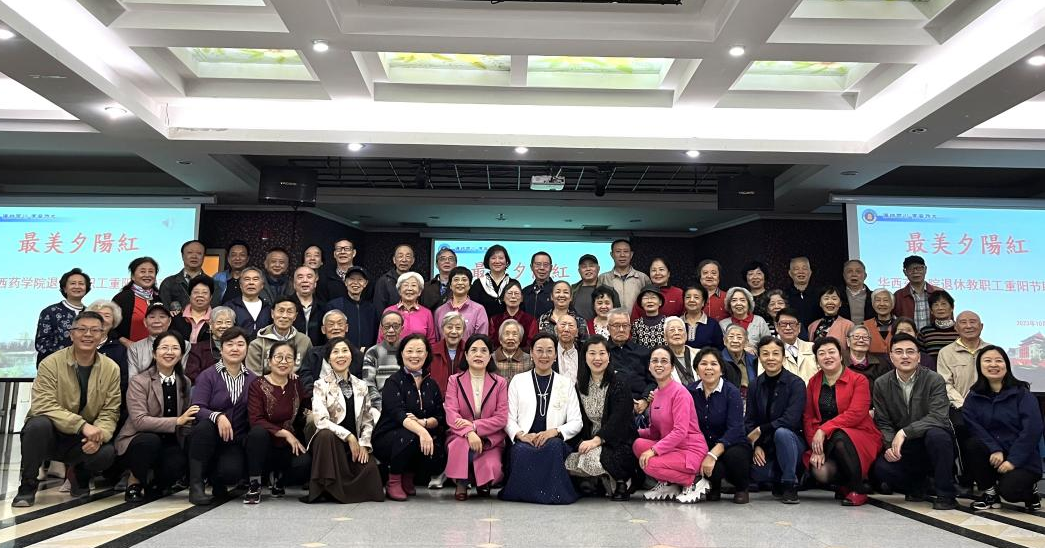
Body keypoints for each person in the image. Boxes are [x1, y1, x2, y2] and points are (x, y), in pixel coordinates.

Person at [13, 311, 121, 507]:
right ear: (71, 334)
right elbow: (43, 404)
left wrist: (99, 435)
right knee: (37, 425)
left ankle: (80, 475)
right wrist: (82, 425)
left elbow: (110, 410)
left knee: (107, 452)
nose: (88, 334)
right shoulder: (51, 363)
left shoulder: (111, 368)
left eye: (94, 330)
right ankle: (28, 485)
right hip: (51, 433)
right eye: (82, 329)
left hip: (81, 439)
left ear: (102, 335)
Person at [872, 333, 957, 510]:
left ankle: (946, 494)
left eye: (910, 352)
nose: (905, 356)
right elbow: (883, 421)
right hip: (906, 447)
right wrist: (889, 445)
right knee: (881, 469)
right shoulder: (881, 383)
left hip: (931, 441)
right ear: (891, 357)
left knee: (937, 436)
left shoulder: (934, 379)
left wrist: (905, 432)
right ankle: (918, 485)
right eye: (899, 352)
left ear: (918, 357)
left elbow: (938, 416)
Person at [501, 333, 583, 504]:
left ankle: (554, 495)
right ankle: (523, 493)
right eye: (539, 350)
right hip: (525, 437)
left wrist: (555, 431)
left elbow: (577, 421)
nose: (544, 356)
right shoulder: (518, 381)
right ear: (531, 353)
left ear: (555, 355)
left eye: (549, 351)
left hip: (554, 439)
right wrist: (521, 435)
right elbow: (508, 417)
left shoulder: (566, 383)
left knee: (553, 447)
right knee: (521, 450)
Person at [115, 331, 196, 503]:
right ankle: (134, 480)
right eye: (164, 348)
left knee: (179, 462)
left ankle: (156, 483)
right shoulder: (139, 381)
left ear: (181, 354)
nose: (169, 352)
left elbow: (186, 417)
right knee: (149, 442)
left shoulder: (185, 382)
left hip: (170, 439)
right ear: (154, 353)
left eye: (175, 348)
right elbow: (139, 421)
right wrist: (177, 421)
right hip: (139, 439)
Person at [304, 337, 385, 503]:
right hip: (331, 443)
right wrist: (349, 436)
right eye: (335, 352)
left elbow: (367, 419)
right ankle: (326, 487)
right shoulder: (320, 385)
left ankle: (344, 490)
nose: (341, 355)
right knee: (325, 435)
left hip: (354, 445)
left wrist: (364, 443)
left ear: (351, 356)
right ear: (328, 359)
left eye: (344, 351)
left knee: (370, 472)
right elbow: (321, 420)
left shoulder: (361, 385)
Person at [962, 346, 1043, 512]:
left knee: (1010, 492)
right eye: (987, 361)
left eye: (998, 361)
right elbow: (975, 427)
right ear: (979, 366)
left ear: (1006, 365)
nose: (993, 365)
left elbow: (1032, 431)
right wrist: (995, 448)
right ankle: (990, 493)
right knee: (972, 444)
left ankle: (1031, 492)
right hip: (994, 456)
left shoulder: (1022, 394)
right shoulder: (974, 396)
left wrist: (1013, 461)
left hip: (1022, 459)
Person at [802, 337, 881, 507]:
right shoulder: (814, 382)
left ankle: (858, 489)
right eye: (822, 353)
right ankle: (844, 484)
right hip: (825, 439)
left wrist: (824, 429)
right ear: (817, 360)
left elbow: (856, 414)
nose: (827, 357)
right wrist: (816, 447)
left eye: (831, 352)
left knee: (840, 436)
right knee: (820, 471)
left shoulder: (858, 380)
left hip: (858, 435)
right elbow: (808, 417)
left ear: (840, 355)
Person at [372, 334, 447, 501]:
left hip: (418, 434)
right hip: (389, 437)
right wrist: (422, 431)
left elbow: (439, 416)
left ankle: (408, 476)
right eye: (410, 351)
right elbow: (398, 414)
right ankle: (394, 480)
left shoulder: (431, 383)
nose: (414, 355)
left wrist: (424, 423)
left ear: (427, 354)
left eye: (419, 351)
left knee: (438, 444)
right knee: (410, 436)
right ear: (402, 354)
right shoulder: (393, 382)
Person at [188, 326, 258, 505]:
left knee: (231, 473)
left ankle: (217, 479)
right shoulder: (208, 376)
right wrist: (218, 416)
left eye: (240, 344)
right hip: (207, 437)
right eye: (230, 344)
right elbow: (197, 407)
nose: (235, 349)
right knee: (204, 427)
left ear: (247, 348)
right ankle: (196, 486)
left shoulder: (253, 379)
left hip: (234, 439)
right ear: (221, 348)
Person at [634, 346, 709, 503]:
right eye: (655, 361)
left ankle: (694, 481)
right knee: (638, 445)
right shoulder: (656, 394)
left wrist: (653, 451)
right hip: (671, 449)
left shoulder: (680, 393)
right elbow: (655, 432)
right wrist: (632, 431)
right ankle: (670, 483)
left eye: (664, 361)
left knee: (649, 464)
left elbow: (680, 431)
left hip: (690, 450)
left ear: (672, 367)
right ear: (649, 366)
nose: (659, 365)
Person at [566, 335, 637, 501]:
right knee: (568, 460)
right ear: (584, 357)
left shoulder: (620, 382)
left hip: (617, 439)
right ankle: (600, 480)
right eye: (592, 353)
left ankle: (621, 481)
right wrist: (583, 442)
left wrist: (596, 441)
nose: (597, 358)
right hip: (590, 439)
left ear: (609, 356)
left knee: (591, 460)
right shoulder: (580, 385)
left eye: (602, 353)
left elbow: (619, 420)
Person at [244, 341, 311, 504]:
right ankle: (255, 485)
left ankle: (279, 479)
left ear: (294, 362)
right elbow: (255, 419)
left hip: (287, 446)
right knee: (258, 433)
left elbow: (305, 407)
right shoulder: (257, 385)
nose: (283, 362)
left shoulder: (296, 383)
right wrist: (285, 433)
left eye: (289, 358)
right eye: (278, 357)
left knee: (305, 463)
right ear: (269, 361)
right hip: (264, 443)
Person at [443, 335, 508, 501]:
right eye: (473, 350)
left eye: (484, 351)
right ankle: (462, 482)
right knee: (459, 445)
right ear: (466, 355)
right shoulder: (454, 380)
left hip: (490, 438)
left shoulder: (500, 382)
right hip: (460, 435)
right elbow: (451, 413)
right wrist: (469, 433)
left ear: (490, 356)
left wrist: (474, 427)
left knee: (492, 466)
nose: (478, 354)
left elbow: (501, 418)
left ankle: (483, 482)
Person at [746, 336, 806, 504]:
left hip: (792, 442)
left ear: (783, 357)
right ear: (759, 358)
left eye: (775, 353)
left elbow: (791, 419)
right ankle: (779, 476)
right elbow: (749, 420)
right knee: (758, 473)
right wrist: (757, 445)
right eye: (765, 354)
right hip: (766, 444)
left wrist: (761, 430)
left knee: (782, 433)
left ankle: (789, 484)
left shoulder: (796, 384)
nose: (770, 358)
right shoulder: (755, 385)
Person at [690, 348, 750, 504]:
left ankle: (741, 488)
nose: (708, 368)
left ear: (721, 370)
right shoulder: (690, 391)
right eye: (703, 364)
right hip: (703, 444)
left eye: (713, 364)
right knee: (709, 466)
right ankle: (714, 486)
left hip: (731, 443)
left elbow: (735, 429)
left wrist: (713, 454)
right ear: (696, 369)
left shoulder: (732, 392)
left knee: (735, 456)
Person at [298, 310, 367, 396]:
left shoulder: (357, 355)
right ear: (323, 329)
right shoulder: (313, 354)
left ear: (346, 328)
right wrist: (316, 396)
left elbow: (362, 381)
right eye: (331, 324)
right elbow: (305, 378)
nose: (336, 327)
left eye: (340, 324)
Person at [246, 295, 313, 376]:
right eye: (281, 311)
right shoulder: (257, 344)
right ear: (272, 313)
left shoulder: (304, 341)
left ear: (295, 316)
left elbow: (309, 372)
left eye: (289, 312)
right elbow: (253, 377)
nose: (284, 316)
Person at [35, 267, 90, 364]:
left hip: (85, 365)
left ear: (86, 288)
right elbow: (41, 344)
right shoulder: (50, 312)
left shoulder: (90, 313)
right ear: (64, 288)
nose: (77, 286)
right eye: (73, 283)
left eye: (81, 283)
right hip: (54, 366)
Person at [937, 311, 990, 411]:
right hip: (959, 409)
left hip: (990, 407)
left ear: (981, 326)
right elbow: (945, 384)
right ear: (956, 327)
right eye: (963, 322)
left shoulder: (992, 351)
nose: (968, 326)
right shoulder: (946, 353)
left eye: (973, 322)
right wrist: (963, 404)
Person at [605, 309, 654, 409]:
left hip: (643, 403)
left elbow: (653, 381)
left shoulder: (643, 351)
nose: (621, 329)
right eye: (616, 325)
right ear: (608, 328)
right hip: (613, 405)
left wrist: (644, 400)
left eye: (625, 325)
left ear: (630, 327)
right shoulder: (602, 353)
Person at [112, 256, 160, 346]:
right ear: (133, 276)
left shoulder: (159, 298)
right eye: (142, 271)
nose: (147, 275)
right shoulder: (122, 298)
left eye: (151, 271)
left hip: (157, 350)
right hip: (128, 350)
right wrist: (126, 342)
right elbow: (109, 326)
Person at [327, 266, 377, 349]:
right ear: (345, 282)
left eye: (360, 280)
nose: (355, 283)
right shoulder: (334, 306)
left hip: (365, 353)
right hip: (342, 353)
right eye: (352, 279)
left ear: (365, 283)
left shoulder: (371, 309)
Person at [434, 266, 489, 342]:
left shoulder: (479, 310)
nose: (460, 283)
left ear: (469, 285)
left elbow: (481, 341)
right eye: (456, 279)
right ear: (450, 285)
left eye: (464, 280)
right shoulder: (440, 311)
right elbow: (437, 340)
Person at [380, 272, 436, 344]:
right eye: (405, 285)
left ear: (419, 292)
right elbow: (381, 340)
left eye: (413, 285)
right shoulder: (389, 311)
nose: (409, 289)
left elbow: (431, 341)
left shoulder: (427, 313)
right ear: (399, 291)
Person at [597, 239, 652, 311]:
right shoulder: (603, 278)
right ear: (612, 254)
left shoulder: (643, 278)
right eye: (618, 251)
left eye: (626, 251)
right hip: (610, 318)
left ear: (631, 254)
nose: (622, 255)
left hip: (637, 318)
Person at [363, 310, 405, 401]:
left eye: (396, 326)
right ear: (381, 329)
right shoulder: (372, 352)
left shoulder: (408, 351)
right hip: (381, 404)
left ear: (402, 328)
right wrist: (378, 405)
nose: (391, 330)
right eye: (387, 327)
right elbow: (368, 383)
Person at [186, 306, 235, 383]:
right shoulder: (198, 349)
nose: (223, 326)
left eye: (228, 322)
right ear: (210, 325)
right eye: (219, 322)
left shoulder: (239, 348)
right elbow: (192, 375)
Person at [127, 302, 175, 380]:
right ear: (145, 322)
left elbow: (182, 378)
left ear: (169, 321)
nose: (157, 321)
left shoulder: (183, 345)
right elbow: (132, 379)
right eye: (152, 317)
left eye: (162, 317)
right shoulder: (135, 348)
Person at [769, 308, 817, 383]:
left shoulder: (813, 348)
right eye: (783, 324)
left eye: (792, 324)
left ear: (799, 327)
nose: (788, 328)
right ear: (776, 326)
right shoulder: (768, 351)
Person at [159, 240, 206, 314]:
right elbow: (163, 312)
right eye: (190, 252)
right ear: (182, 256)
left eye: (199, 253)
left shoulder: (213, 284)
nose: (194, 256)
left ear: (204, 257)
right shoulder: (168, 283)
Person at [892, 255, 938, 330]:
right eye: (911, 269)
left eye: (919, 268)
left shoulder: (938, 293)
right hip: (907, 336)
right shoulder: (898, 296)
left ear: (925, 269)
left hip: (933, 337)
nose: (915, 272)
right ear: (905, 272)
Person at [490, 280, 537, 350]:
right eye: (509, 293)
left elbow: (532, 344)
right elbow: (491, 344)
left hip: (524, 356)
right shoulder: (494, 320)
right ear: (503, 297)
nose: (513, 296)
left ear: (521, 298)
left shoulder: (531, 320)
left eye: (516, 293)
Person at [469, 244, 514, 318]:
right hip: (483, 324)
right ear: (488, 261)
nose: (497, 261)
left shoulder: (513, 283)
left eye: (501, 258)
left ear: (506, 262)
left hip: (509, 324)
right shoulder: (478, 284)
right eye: (493, 258)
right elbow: (473, 309)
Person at [226, 267, 272, 338]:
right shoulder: (230, 306)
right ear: (240, 285)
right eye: (247, 279)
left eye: (255, 279)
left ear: (262, 285)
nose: (251, 283)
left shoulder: (268, 308)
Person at [808, 286, 855, 355]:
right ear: (820, 303)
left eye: (834, 298)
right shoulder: (812, 326)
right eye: (826, 298)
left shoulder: (849, 325)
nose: (830, 302)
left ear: (840, 303)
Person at [846, 324, 891, 396]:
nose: (861, 340)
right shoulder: (840, 364)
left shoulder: (881, 364)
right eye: (856, 337)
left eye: (865, 337)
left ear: (870, 342)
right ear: (848, 341)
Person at [430, 312, 466, 394]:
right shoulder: (432, 351)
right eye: (449, 327)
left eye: (458, 328)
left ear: (463, 331)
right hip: (437, 398)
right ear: (442, 329)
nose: (454, 331)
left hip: (462, 399)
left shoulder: (469, 351)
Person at [572, 254, 617, 321]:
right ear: (579, 271)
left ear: (598, 268)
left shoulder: (609, 291)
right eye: (584, 267)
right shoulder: (572, 290)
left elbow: (617, 315)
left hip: (602, 327)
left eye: (591, 266)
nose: (588, 269)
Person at [373, 244, 416, 312]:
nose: (404, 260)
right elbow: (379, 309)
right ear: (394, 260)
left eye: (408, 256)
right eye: (400, 256)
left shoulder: (417, 281)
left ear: (413, 261)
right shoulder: (384, 281)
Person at [172, 275, 213, 345]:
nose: (200, 295)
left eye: (204, 293)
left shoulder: (216, 319)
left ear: (211, 297)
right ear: (189, 295)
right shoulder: (176, 318)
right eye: (196, 292)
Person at [290, 266, 325, 347]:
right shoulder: (285, 305)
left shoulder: (323, 307)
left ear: (315, 283)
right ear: (294, 284)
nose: (305, 280)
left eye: (309, 277)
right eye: (300, 277)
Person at [681, 284, 723, 350]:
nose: (691, 300)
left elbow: (719, 349)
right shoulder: (677, 322)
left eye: (696, 297)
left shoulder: (713, 324)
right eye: (688, 297)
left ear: (703, 302)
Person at [919, 291, 958, 360]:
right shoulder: (924, 332)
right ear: (931, 310)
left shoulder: (960, 330)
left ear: (952, 308)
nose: (940, 308)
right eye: (936, 305)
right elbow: (921, 358)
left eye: (943, 304)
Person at [493, 319, 532, 384]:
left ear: (520, 339)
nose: (510, 338)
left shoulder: (529, 360)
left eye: (514, 334)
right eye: (507, 334)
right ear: (500, 339)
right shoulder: (491, 359)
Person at [783, 257, 818, 328]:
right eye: (796, 269)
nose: (801, 271)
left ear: (810, 272)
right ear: (790, 273)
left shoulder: (820, 295)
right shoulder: (783, 296)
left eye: (804, 268)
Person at [213, 240, 250, 306]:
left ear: (247, 259)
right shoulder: (218, 278)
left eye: (242, 255)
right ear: (228, 258)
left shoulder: (253, 280)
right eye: (233, 255)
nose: (237, 258)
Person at [664, 317, 698, 386]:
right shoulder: (661, 358)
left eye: (680, 329)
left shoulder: (699, 354)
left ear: (686, 335)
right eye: (672, 330)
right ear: (665, 337)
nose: (677, 333)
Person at [721, 325, 757, 391]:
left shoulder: (754, 360)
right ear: (725, 341)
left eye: (739, 337)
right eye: (731, 337)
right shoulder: (718, 361)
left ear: (746, 342)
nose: (735, 341)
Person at [631, 285, 667, 349]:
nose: (649, 301)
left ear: (660, 302)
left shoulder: (668, 322)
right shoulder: (636, 324)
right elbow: (634, 347)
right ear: (641, 303)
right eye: (645, 298)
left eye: (653, 297)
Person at [839, 260, 874, 324]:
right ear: (844, 275)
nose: (854, 274)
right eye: (849, 271)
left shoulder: (874, 296)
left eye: (858, 271)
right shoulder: (837, 296)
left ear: (865, 276)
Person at [523, 251, 556, 319]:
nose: (542, 268)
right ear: (531, 267)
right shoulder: (525, 292)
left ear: (551, 268)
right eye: (538, 264)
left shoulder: (557, 291)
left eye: (546, 265)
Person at [864, 288, 896, 354]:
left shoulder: (901, 325)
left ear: (893, 305)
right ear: (873, 305)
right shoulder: (864, 326)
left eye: (886, 300)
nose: (882, 304)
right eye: (878, 300)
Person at [555, 315, 581, 383]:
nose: (566, 329)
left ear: (577, 332)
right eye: (563, 325)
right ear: (556, 330)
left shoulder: (583, 352)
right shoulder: (550, 352)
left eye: (571, 325)